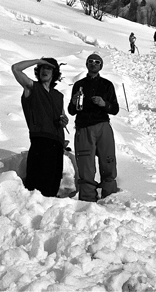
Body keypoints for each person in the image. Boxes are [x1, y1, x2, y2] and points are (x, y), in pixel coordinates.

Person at [11, 57, 69, 197]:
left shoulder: (58, 96)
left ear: (54, 72)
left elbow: (62, 116)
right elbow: (15, 68)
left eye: (48, 68)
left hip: (57, 144)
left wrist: (64, 121)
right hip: (41, 142)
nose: (44, 70)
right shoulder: (32, 87)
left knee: (53, 185)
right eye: (42, 67)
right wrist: (38, 60)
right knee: (36, 187)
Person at [68, 53, 120, 202]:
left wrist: (104, 104)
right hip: (83, 127)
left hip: (103, 125)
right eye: (90, 61)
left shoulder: (107, 85)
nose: (93, 64)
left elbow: (115, 109)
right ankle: (87, 200)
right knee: (85, 166)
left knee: (108, 161)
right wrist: (73, 102)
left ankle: (109, 197)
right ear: (86, 64)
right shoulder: (79, 85)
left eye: (97, 62)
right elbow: (72, 111)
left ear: (101, 66)